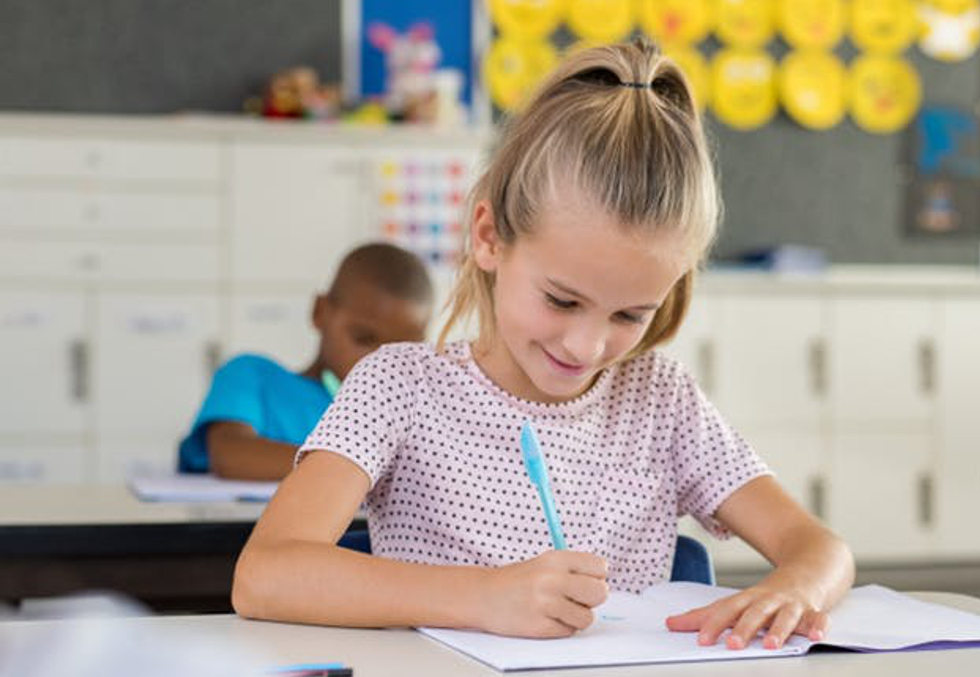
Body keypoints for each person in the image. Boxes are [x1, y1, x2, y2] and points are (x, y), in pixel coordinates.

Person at [232, 40, 855, 649]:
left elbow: (821, 549)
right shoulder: (398, 385)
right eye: (561, 300)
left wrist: (796, 587)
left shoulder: (661, 400)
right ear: (489, 237)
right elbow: (265, 576)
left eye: (631, 313)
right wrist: (484, 598)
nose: (586, 346)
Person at [178, 242, 433, 480]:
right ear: (320, 312)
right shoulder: (249, 374)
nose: (380, 363)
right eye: (363, 338)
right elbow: (231, 456)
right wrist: (359, 470)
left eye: (402, 351)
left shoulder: (394, 416)